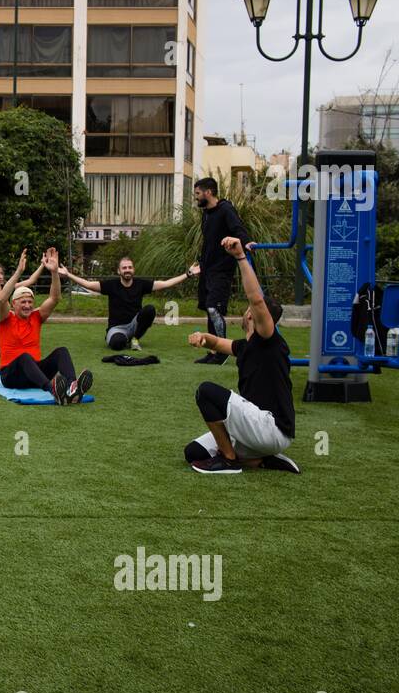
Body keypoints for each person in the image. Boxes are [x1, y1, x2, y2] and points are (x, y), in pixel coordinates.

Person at [184, 236, 299, 475]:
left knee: (206, 391)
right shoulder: (246, 346)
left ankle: (229, 460)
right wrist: (204, 338)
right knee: (193, 453)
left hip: (271, 427)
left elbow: (256, 298)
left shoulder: (268, 341)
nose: (248, 311)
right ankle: (261, 460)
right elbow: (219, 343)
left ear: (253, 316)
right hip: (254, 429)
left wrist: (240, 257)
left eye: (252, 311)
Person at [0, 248, 93, 405]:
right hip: (11, 376)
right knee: (24, 358)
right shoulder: (6, 318)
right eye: (23, 302)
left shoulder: (36, 316)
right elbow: (1, 300)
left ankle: (72, 387)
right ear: (14, 304)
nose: (27, 305)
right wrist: (19, 272)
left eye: (30, 302)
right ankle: (54, 391)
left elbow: (55, 298)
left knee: (61, 351)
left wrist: (54, 273)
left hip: (35, 374)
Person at [59, 257, 200, 351]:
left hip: (135, 324)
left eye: (130, 267)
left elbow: (165, 284)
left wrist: (188, 274)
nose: (127, 270)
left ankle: (135, 339)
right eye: (124, 267)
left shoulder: (141, 284)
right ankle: (124, 339)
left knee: (149, 309)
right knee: (117, 344)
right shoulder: (111, 285)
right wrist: (68, 274)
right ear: (119, 271)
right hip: (117, 328)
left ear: (133, 270)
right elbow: (88, 284)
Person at [192, 176, 252, 365]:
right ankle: (213, 350)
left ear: (208, 192)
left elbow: (238, 229)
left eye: (198, 193)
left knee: (214, 308)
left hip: (222, 270)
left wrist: (247, 242)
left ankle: (223, 352)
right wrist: (200, 263)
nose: (196, 197)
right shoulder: (206, 214)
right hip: (207, 270)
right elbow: (208, 242)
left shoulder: (226, 209)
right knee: (209, 311)